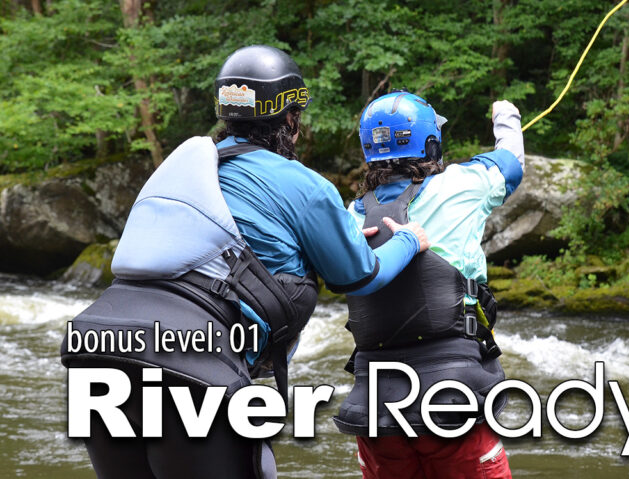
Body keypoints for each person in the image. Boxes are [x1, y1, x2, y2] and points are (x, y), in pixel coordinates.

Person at [61, 46, 429, 479]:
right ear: (290, 119)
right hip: (190, 362)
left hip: (99, 350)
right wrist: (407, 241)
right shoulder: (305, 185)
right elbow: (363, 276)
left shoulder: (191, 171)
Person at [333, 90, 525, 479]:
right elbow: (512, 161)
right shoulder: (464, 184)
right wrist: (506, 115)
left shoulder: (347, 217)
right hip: (453, 398)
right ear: (432, 144)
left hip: (375, 407)